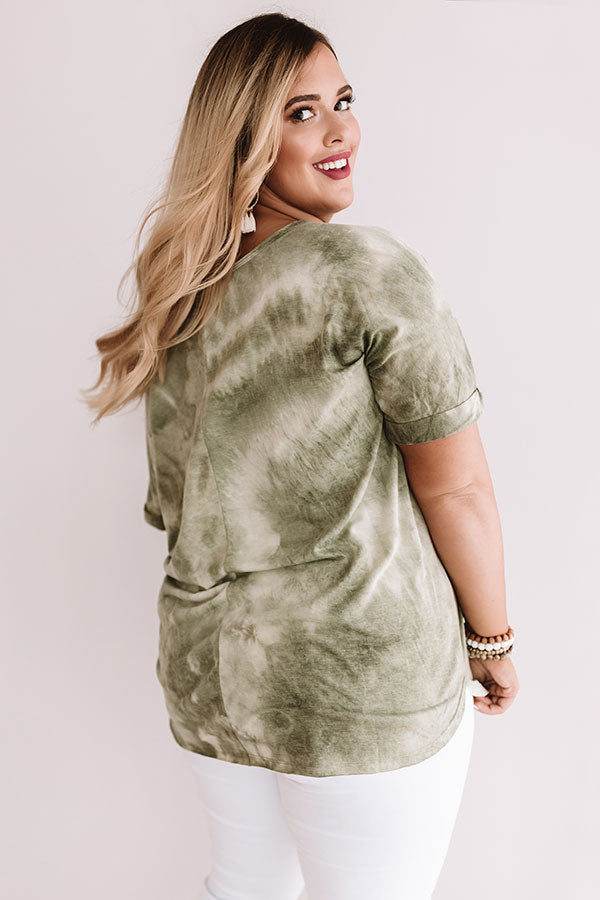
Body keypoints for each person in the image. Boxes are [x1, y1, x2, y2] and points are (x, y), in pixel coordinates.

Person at [83, 12, 520, 900]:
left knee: (245, 890)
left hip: (214, 686)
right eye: (301, 113)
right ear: (244, 138)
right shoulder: (366, 270)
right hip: (359, 687)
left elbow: (174, 510)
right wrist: (492, 637)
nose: (339, 131)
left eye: (343, 102)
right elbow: (458, 488)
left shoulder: (182, 302)